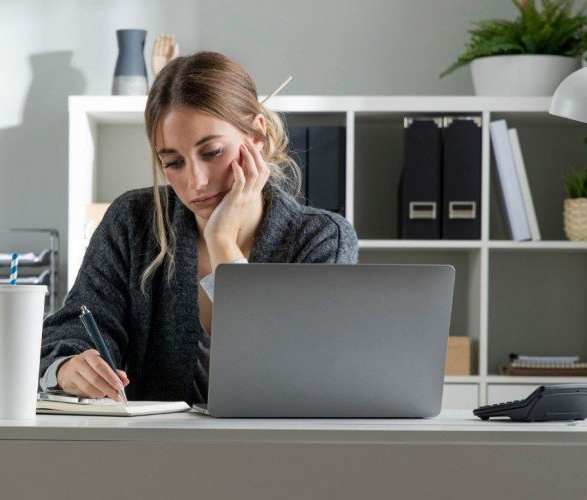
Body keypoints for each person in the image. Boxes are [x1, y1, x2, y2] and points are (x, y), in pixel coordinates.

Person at [39, 51, 358, 404]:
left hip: (273, 452)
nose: (196, 181)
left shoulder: (322, 238)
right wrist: (67, 368)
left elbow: (297, 372)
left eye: (212, 152)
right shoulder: (133, 220)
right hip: (152, 452)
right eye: (173, 163)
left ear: (257, 135)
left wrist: (221, 240)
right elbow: (66, 333)